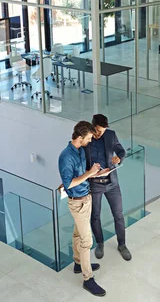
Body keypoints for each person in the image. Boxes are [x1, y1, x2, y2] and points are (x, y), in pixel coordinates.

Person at [58, 121, 108, 297]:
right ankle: (88, 279)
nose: (90, 140)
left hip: (85, 198)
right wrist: (88, 174)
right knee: (87, 241)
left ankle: (78, 264)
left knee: (78, 234)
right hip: (77, 202)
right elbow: (68, 182)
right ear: (80, 137)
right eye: (88, 138)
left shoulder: (78, 151)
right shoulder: (66, 157)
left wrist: (94, 172)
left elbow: (79, 174)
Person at [83, 114, 131, 261]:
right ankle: (100, 243)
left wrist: (119, 158)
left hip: (112, 183)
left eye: (102, 131)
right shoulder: (87, 139)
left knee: (118, 214)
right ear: (92, 127)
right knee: (95, 216)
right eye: (97, 130)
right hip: (94, 184)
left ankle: (122, 245)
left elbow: (121, 151)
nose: (99, 133)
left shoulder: (111, 135)